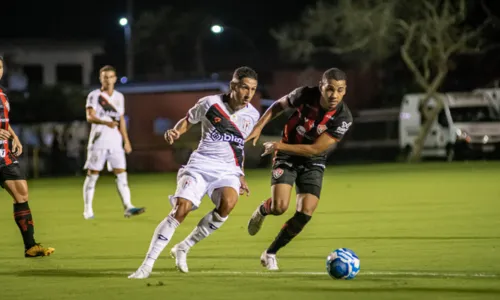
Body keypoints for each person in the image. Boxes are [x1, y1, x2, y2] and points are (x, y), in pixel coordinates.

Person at [128, 66, 260, 279]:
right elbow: (188, 120)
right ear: (233, 86)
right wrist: (176, 132)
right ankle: (147, 265)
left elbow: (238, 146)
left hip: (227, 170)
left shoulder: (252, 114)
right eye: (245, 88)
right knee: (182, 209)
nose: (249, 94)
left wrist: (240, 173)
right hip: (201, 164)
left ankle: (184, 246)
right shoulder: (210, 103)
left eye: (253, 89)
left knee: (228, 203)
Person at [246, 68, 353, 270]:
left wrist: (278, 145)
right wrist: (259, 127)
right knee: (279, 208)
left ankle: (270, 253)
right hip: (287, 156)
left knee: (305, 212)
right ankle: (262, 210)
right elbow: (278, 106)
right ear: (321, 87)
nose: (334, 95)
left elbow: (315, 149)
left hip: (312, 159)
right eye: (330, 89)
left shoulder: (343, 118)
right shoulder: (304, 94)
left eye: (340, 90)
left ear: (345, 91)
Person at [0, 56, 55, 257]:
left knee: (22, 193)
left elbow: (4, 123)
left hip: (4, 153)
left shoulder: (2, 94)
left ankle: (30, 246)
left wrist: (15, 137)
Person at [83, 65, 145, 219]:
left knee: (122, 174)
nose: (108, 80)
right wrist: (105, 123)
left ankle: (128, 206)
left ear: (115, 79)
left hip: (115, 142)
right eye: (105, 77)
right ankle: (88, 209)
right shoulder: (94, 95)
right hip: (98, 142)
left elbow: (121, 119)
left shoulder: (119, 97)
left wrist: (126, 140)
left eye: (111, 77)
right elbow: (89, 116)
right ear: (100, 79)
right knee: (92, 175)